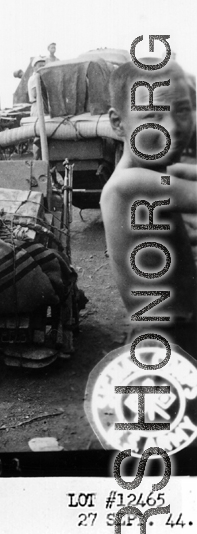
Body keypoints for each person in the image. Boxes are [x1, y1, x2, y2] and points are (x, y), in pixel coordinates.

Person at [101, 60, 197, 358]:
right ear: (118, 123)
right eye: (153, 115)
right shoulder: (130, 184)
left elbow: (184, 174)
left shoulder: (155, 173)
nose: (173, 129)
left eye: (181, 110)